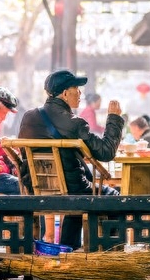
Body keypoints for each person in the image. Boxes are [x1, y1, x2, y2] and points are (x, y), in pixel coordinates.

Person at [18, 69, 124, 249]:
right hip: (71, 189)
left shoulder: (29, 116)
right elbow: (106, 152)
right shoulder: (75, 123)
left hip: (35, 188)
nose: (80, 93)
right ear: (65, 93)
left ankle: (68, 249)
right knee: (113, 196)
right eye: (76, 88)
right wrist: (114, 118)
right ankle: (109, 253)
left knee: (77, 190)